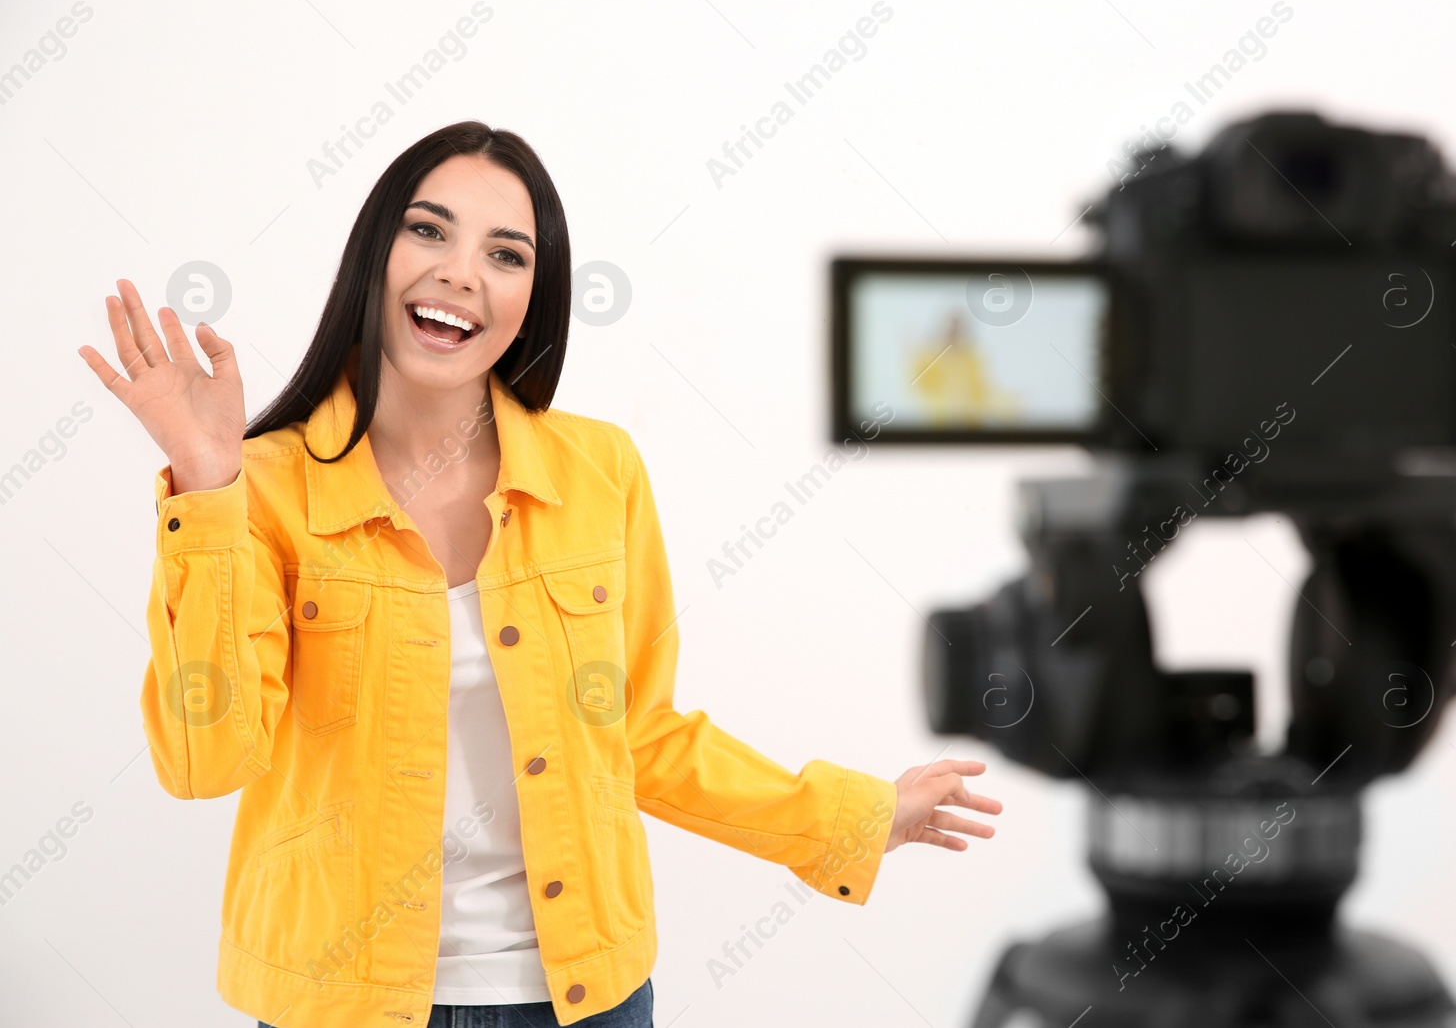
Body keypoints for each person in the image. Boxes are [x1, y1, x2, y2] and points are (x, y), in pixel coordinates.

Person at [78, 120, 1001, 1028]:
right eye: (428, 229)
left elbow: (641, 736)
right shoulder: (263, 486)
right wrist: (207, 483)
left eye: (507, 254)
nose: (461, 273)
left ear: (536, 294)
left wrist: (855, 816)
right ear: (374, 253)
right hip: (341, 1002)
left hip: (585, 1001)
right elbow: (206, 761)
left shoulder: (600, 472)